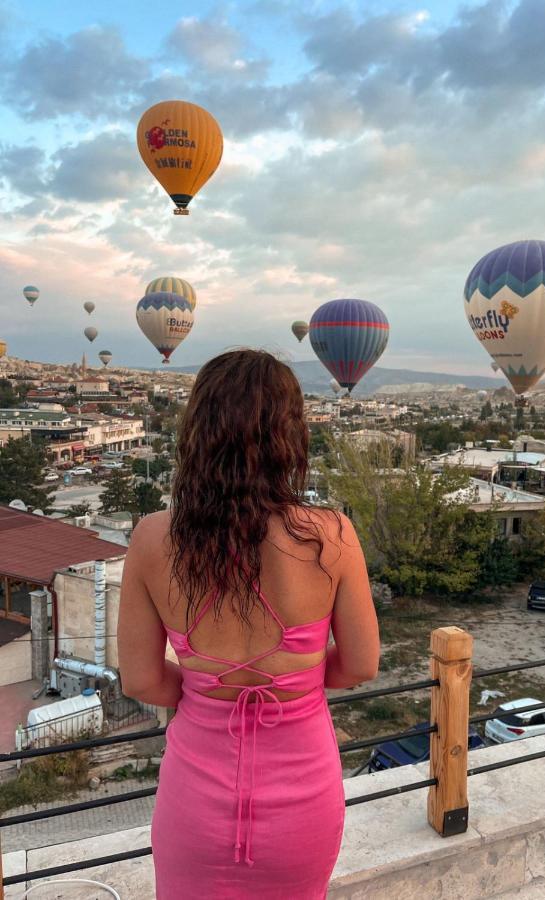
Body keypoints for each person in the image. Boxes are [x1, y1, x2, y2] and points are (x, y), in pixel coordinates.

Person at [118, 349, 379, 899]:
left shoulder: (150, 538)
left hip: (194, 800)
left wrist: (203, 692)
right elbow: (361, 664)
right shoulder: (332, 537)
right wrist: (298, 681)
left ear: (198, 431)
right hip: (305, 796)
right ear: (290, 435)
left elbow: (141, 682)